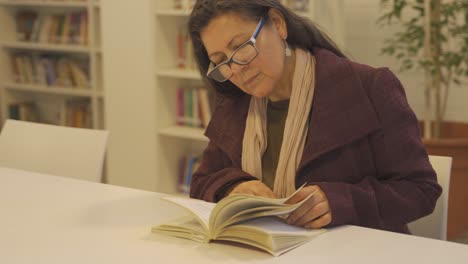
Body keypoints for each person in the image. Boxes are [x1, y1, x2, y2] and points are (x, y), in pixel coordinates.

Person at [187, 0, 442, 234]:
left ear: (278, 24)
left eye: (241, 47)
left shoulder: (369, 87)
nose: (236, 70)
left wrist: (340, 202)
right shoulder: (235, 104)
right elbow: (201, 182)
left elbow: (420, 189)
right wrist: (233, 188)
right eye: (221, 61)